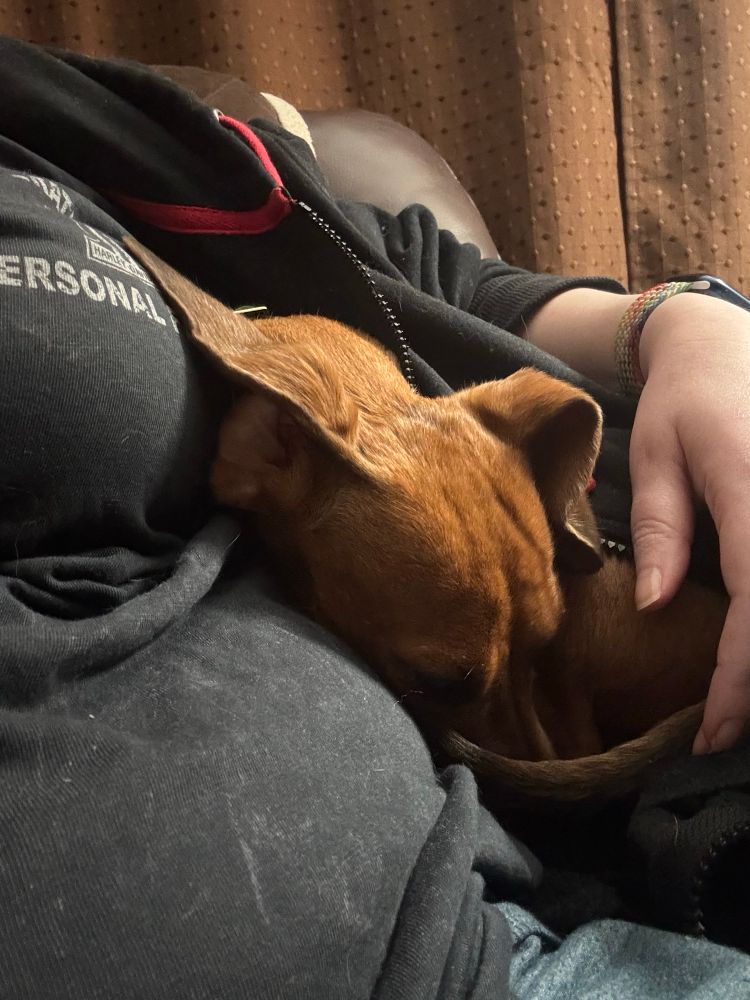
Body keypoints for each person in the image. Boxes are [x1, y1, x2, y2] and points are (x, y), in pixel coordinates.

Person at [1, 33, 749, 998]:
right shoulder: (268, 445)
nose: (544, 746)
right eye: (452, 683)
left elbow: (448, 280)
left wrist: (698, 322)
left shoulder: (154, 142)